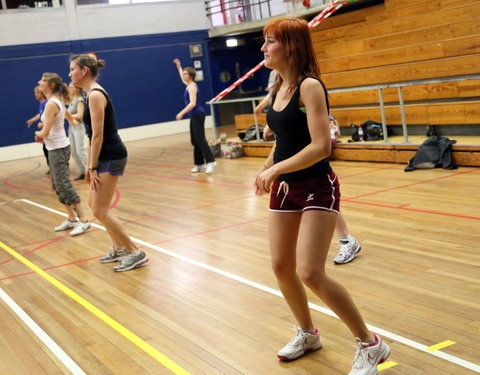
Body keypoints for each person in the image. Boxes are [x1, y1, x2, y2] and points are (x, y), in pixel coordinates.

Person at [254, 18, 390, 374]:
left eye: (270, 42)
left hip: (316, 186)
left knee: (311, 272)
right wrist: (269, 164)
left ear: (292, 46)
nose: (264, 48)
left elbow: (320, 146)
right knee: (281, 267)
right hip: (285, 188)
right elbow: (285, 141)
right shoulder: (278, 87)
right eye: (264, 41)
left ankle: (369, 343)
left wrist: (275, 169)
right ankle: (308, 333)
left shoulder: (309, 86)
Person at [69, 53, 148, 272]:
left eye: (72, 69)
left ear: (84, 71)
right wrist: (90, 165)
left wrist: (91, 166)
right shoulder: (88, 94)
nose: (70, 73)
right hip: (103, 156)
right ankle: (120, 247)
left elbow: (98, 135)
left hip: (111, 155)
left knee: (101, 210)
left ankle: (135, 252)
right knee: (95, 206)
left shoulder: (95, 94)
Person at [34, 73, 90, 236]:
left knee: (64, 184)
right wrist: (70, 120)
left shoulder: (51, 104)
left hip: (58, 149)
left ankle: (84, 220)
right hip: (55, 148)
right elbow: (65, 112)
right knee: (57, 185)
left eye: (42, 80)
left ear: (50, 85)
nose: (39, 82)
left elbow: (45, 132)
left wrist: (39, 133)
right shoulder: (55, 101)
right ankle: (71, 218)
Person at [173, 58, 216, 174]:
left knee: (201, 140)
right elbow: (181, 77)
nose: (183, 75)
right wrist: (179, 66)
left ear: (191, 76)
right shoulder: (188, 84)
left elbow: (193, 103)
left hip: (198, 115)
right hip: (194, 116)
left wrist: (181, 113)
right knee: (194, 140)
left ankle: (211, 162)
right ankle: (199, 164)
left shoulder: (192, 87)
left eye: (185, 74)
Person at [27, 86, 50, 174]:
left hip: (47, 131)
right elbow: (40, 115)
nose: (35, 95)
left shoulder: (46, 103)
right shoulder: (41, 104)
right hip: (44, 131)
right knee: (46, 150)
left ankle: (53, 167)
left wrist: (43, 124)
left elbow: (50, 118)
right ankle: (51, 167)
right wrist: (32, 120)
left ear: (42, 94)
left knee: (48, 150)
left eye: (37, 93)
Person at [67, 83, 88, 180]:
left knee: (80, 151)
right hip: (71, 127)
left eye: (71, 87)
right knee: (74, 152)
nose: (69, 88)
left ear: (77, 89)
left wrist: (67, 116)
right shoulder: (71, 100)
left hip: (78, 127)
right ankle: (82, 172)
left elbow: (80, 115)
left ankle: (90, 170)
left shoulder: (80, 100)